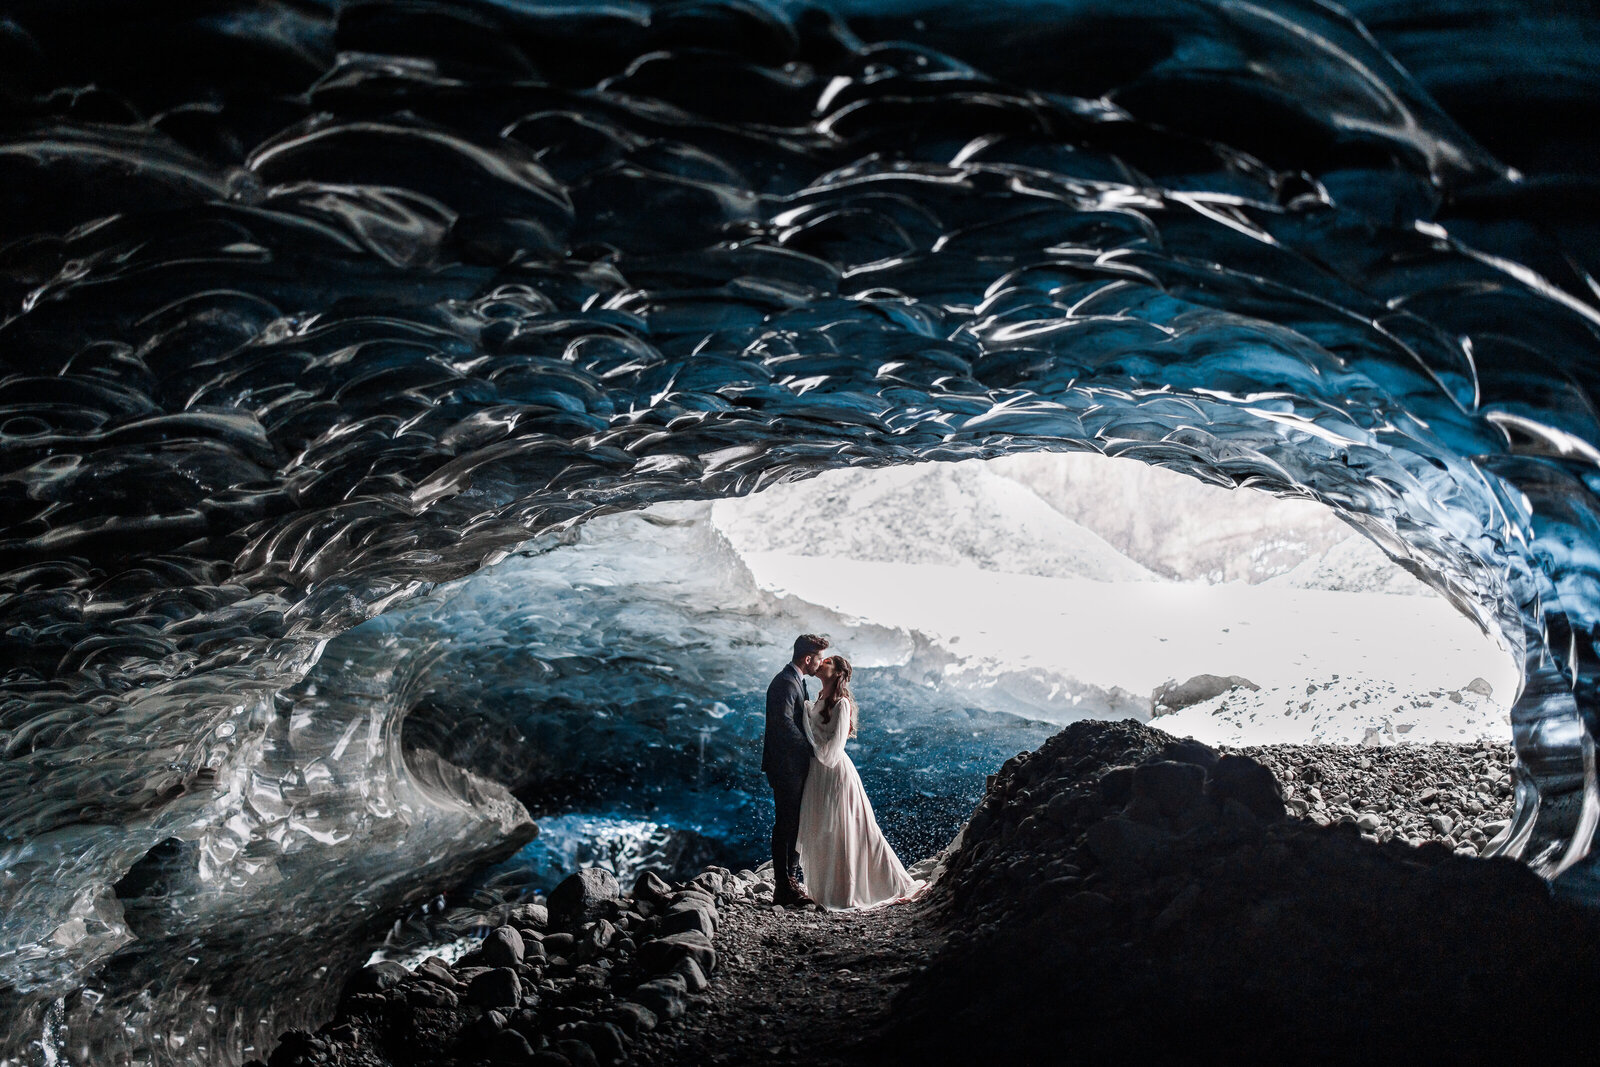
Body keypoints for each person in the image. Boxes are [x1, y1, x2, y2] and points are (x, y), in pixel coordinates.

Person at [796, 654, 923, 909]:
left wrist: (808, 736)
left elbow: (833, 750)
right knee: (824, 829)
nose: (823, 662)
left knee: (847, 830)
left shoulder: (842, 704)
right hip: (817, 773)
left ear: (839, 673)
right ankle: (826, 890)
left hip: (835, 773)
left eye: (829, 661)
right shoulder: (818, 699)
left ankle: (855, 890)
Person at [763, 633, 828, 906]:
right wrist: (810, 748)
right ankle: (783, 886)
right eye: (819, 659)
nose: (820, 665)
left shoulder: (794, 680)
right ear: (808, 658)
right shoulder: (786, 682)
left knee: (792, 823)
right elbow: (783, 724)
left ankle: (788, 881)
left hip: (790, 766)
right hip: (786, 767)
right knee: (786, 823)